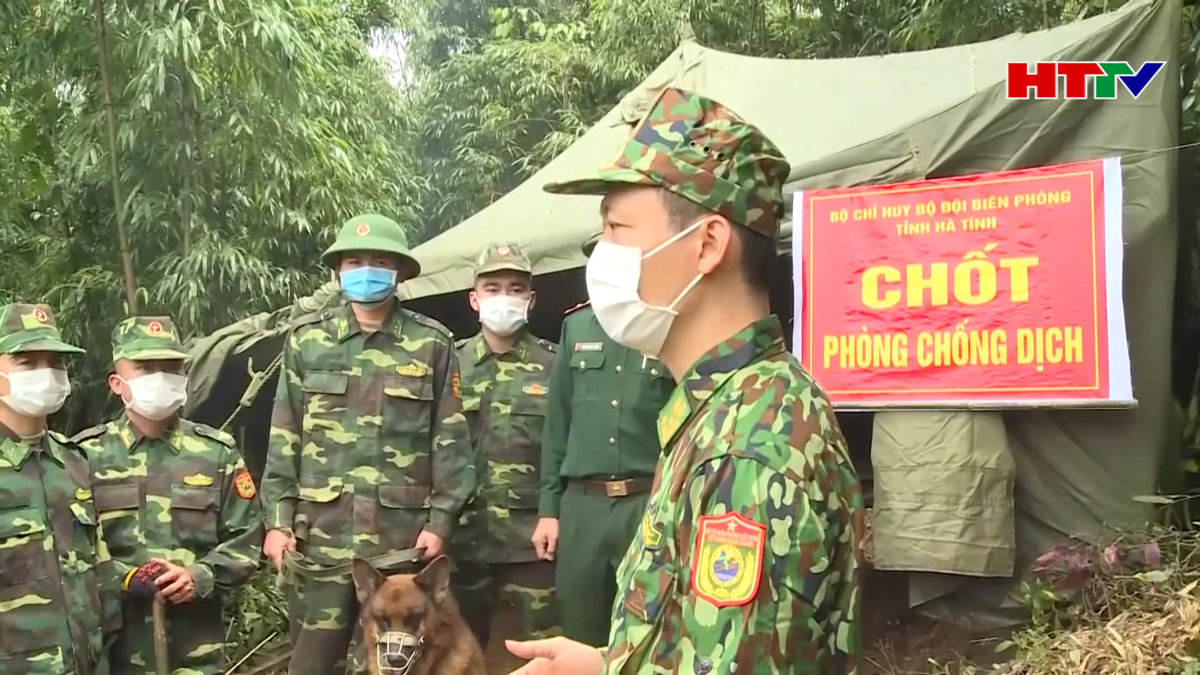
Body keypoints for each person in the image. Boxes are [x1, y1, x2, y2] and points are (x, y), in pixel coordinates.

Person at [506, 87, 866, 674]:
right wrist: (603, 666)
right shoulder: (726, 410)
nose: (604, 256)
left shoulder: (747, 449)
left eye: (617, 229)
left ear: (706, 245)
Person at [261, 213, 474, 675]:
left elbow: (451, 441)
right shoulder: (306, 340)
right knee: (311, 664)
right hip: (318, 538)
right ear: (338, 270)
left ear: (399, 271)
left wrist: (441, 523)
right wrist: (277, 522)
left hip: (399, 545)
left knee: (396, 666)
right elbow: (284, 435)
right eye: (355, 261)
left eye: (379, 261)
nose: (366, 270)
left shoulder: (432, 344)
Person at [73, 316, 264, 674]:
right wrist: (123, 578)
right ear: (117, 383)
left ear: (184, 377)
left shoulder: (217, 453)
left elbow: (247, 538)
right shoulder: (83, 456)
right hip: (113, 647)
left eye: (170, 367)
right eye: (145, 367)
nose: (159, 377)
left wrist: (200, 575)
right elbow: (69, 549)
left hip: (196, 648)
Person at [531, 234, 675, 647]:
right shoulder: (576, 327)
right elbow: (557, 424)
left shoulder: (667, 328)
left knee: (649, 629)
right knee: (581, 628)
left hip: (647, 503)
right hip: (583, 510)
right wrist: (548, 510)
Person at [449, 242, 561, 650]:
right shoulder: (448, 364)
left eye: (515, 288)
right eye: (493, 287)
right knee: (457, 654)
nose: (504, 297)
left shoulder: (557, 365)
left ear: (530, 300)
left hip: (532, 542)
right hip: (462, 540)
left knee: (538, 653)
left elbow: (565, 449)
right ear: (475, 299)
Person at [0, 302, 121, 673]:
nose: (47, 373)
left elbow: (98, 569)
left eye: (56, 363)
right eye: (27, 362)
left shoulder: (74, 462)